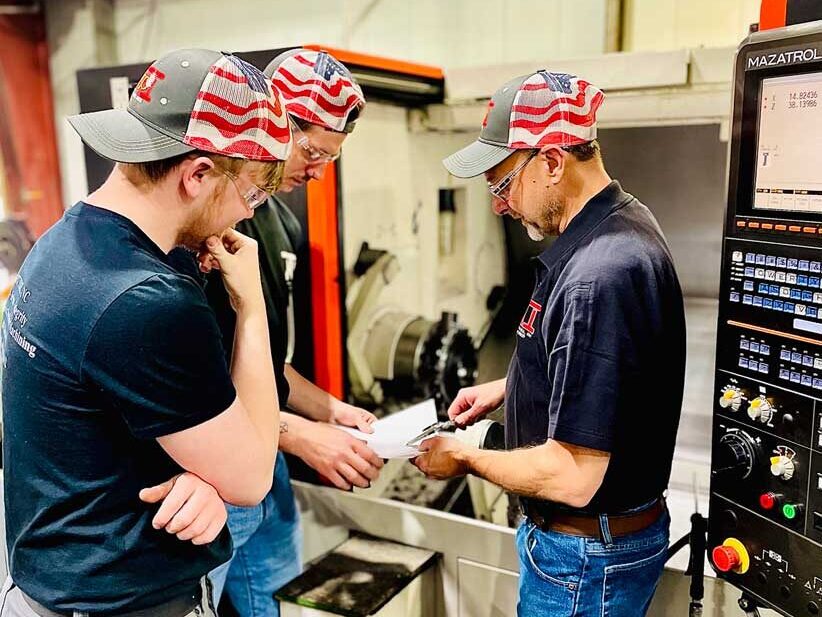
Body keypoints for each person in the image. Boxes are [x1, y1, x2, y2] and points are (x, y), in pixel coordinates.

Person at [0, 48, 292, 617]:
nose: (248, 217)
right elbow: (253, 475)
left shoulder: (66, 242)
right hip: (121, 601)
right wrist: (251, 305)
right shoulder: (145, 301)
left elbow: (110, 418)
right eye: (252, 194)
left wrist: (200, 471)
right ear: (199, 173)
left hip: (56, 583)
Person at [413, 71, 685, 617]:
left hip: (583, 560)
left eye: (502, 184)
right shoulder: (623, 220)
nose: (499, 206)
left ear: (553, 161)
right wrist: (511, 387)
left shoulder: (597, 276)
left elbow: (573, 476)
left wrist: (463, 458)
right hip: (601, 546)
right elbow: (608, 375)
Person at [201, 49, 383, 617]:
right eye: (311, 151)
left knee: (271, 605)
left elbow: (265, 364)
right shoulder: (211, 221)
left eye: (331, 158)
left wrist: (328, 409)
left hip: (268, 470)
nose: (318, 171)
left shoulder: (281, 221)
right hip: (209, 477)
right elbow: (200, 382)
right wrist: (300, 435)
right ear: (271, 120)